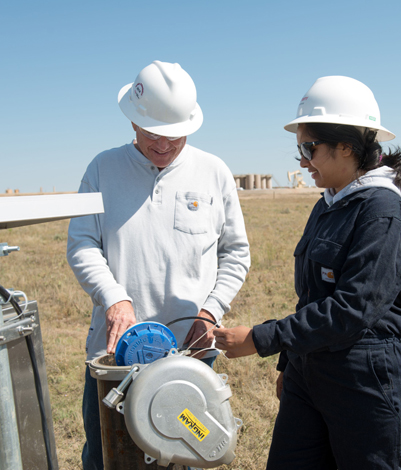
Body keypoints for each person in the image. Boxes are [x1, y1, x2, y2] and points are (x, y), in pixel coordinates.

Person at [214, 75, 401, 470]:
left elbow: (352, 309)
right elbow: (311, 297)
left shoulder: (381, 210)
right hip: (310, 372)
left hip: (364, 378)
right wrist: (290, 365)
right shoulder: (328, 204)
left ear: (347, 147)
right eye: (299, 151)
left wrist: (262, 339)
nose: (303, 161)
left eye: (310, 148)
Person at [67, 60, 250, 470]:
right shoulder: (100, 169)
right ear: (133, 122)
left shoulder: (215, 172)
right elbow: (81, 243)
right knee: (109, 459)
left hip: (190, 358)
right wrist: (114, 299)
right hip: (115, 356)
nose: (164, 145)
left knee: (188, 456)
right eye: (153, 134)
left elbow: (236, 253)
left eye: (175, 136)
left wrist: (210, 311)